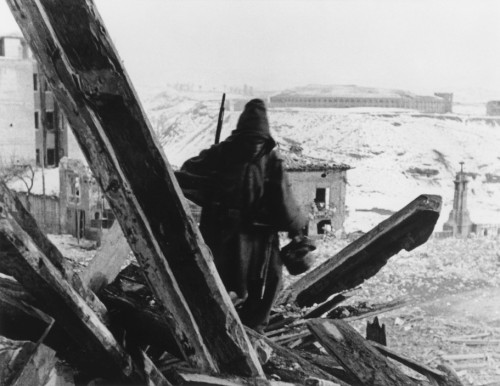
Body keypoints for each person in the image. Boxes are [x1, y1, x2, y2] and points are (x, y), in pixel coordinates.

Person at [175, 99, 313, 331]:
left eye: (258, 141)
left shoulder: (270, 161)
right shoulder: (222, 153)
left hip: (255, 235)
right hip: (225, 232)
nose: (253, 146)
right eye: (250, 140)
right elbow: (187, 172)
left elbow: (283, 199)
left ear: (265, 140)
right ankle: (219, 324)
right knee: (224, 278)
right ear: (241, 136)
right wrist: (212, 190)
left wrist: (296, 228)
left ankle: (253, 327)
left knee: (269, 281)